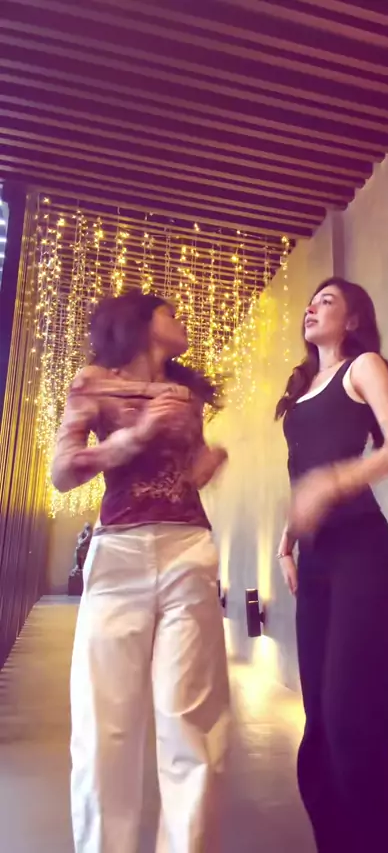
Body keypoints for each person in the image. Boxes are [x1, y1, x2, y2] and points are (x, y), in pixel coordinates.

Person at [51, 290, 230, 853]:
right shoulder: (93, 383)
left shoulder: (185, 394)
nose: (181, 319)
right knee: (104, 726)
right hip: (118, 556)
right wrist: (134, 437)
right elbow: (62, 472)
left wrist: (210, 462)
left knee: (191, 723)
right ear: (142, 322)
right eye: (170, 312)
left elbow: (191, 472)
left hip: (189, 550)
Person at [275, 277, 388, 853]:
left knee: (350, 726)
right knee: (317, 734)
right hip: (315, 561)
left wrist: (334, 483)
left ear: (354, 319)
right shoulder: (302, 389)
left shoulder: (363, 367)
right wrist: (288, 540)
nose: (312, 308)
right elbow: (302, 474)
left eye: (328, 301)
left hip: (362, 554)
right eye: (311, 301)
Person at [68, 522, 93, 596]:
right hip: (82, 549)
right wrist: (87, 537)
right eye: (87, 528)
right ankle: (78, 566)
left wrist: (89, 536)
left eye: (89, 528)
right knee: (78, 549)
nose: (88, 530)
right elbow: (80, 542)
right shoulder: (81, 534)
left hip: (89, 549)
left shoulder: (93, 535)